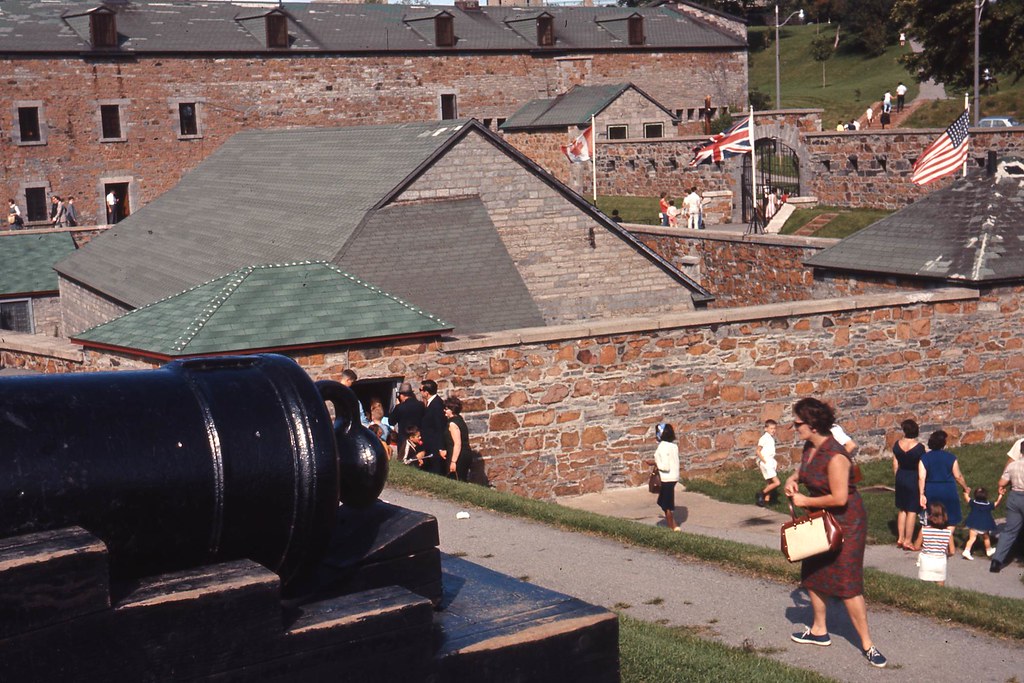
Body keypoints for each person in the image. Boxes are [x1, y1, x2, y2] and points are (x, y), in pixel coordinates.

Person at [785, 397, 886, 669]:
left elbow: (840, 498)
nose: (794, 427)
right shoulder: (810, 447)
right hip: (821, 519)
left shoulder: (837, 455)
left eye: (797, 423)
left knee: (848, 582)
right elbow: (803, 470)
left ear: (813, 425)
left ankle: (867, 643)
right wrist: (793, 480)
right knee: (814, 571)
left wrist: (805, 502)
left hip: (847, 522)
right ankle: (819, 630)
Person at [919, 430, 969, 527]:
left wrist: (921, 494)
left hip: (931, 490)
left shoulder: (924, 458)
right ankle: (947, 539)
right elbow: (958, 476)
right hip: (948, 490)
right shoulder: (951, 457)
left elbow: (921, 477)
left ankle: (934, 539)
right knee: (951, 518)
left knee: (934, 516)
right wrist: (965, 487)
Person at [892, 419, 924, 550]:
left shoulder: (897, 445)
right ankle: (908, 540)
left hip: (901, 476)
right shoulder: (919, 448)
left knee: (902, 508)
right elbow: (922, 466)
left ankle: (900, 538)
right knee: (912, 510)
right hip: (913, 477)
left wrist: (898, 476)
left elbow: (895, 463)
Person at [990, 455, 1024, 573]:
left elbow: (1002, 482)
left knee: (1009, 531)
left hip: (1014, 497)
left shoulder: (1012, 465)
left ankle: (996, 561)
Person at [913, 501, 955, 586]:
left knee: (924, 586)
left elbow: (916, 547)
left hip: (926, 561)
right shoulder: (948, 532)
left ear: (930, 516)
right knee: (940, 585)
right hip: (940, 561)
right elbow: (952, 551)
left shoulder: (924, 530)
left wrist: (925, 548)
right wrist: (946, 554)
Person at [651, 422, 681, 531]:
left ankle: (672, 526)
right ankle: (671, 522)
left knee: (667, 504)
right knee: (663, 501)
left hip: (666, 478)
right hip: (674, 477)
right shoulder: (674, 446)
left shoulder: (662, 447)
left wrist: (654, 462)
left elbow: (665, 466)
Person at [962, 487, 1001, 560]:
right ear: (986, 496)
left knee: (972, 539)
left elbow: (967, 498)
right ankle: (988, 550)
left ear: (975, 495)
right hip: (984, 525)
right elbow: (996, 503)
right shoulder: (988, 505)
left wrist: (966, 492)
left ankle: (966, 551)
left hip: (973, 524)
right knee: (986, 538)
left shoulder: (973, 503)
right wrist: (1000, 495)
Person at [419, 379, 448, 476]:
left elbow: (440, 426)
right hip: (430, 444)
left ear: (426, 392)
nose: (420, 392)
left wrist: (441, 448)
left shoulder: (436, 405)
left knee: (436, 470)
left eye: (421, 390)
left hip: (435, 445)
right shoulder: (431, 403)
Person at [389, 382, 424, 452]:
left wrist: (396, 406)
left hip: (404, 440)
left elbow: (391, 422)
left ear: (401, 395)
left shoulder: (400, 407)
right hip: (418, 438)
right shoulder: (421, 405)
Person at [444, 396, 472, 482]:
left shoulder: (453, 424)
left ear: (452, 410)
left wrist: (453, 462)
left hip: (458, 456)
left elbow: (457, 443)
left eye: (446, 409)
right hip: (463, 454)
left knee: (456, 479)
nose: (444, 410)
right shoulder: (459, 420)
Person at [756, 419, 779, 507]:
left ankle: (766, 500)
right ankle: (761, 493)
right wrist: (764, 461)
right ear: (766, 429)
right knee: (777, 482)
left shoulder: (771, 438)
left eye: (774, 428)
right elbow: (758, 451)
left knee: (770, 482)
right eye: (771, 428)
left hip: (770, 461)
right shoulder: (764, 438)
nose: (773, 430)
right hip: (766, 462)